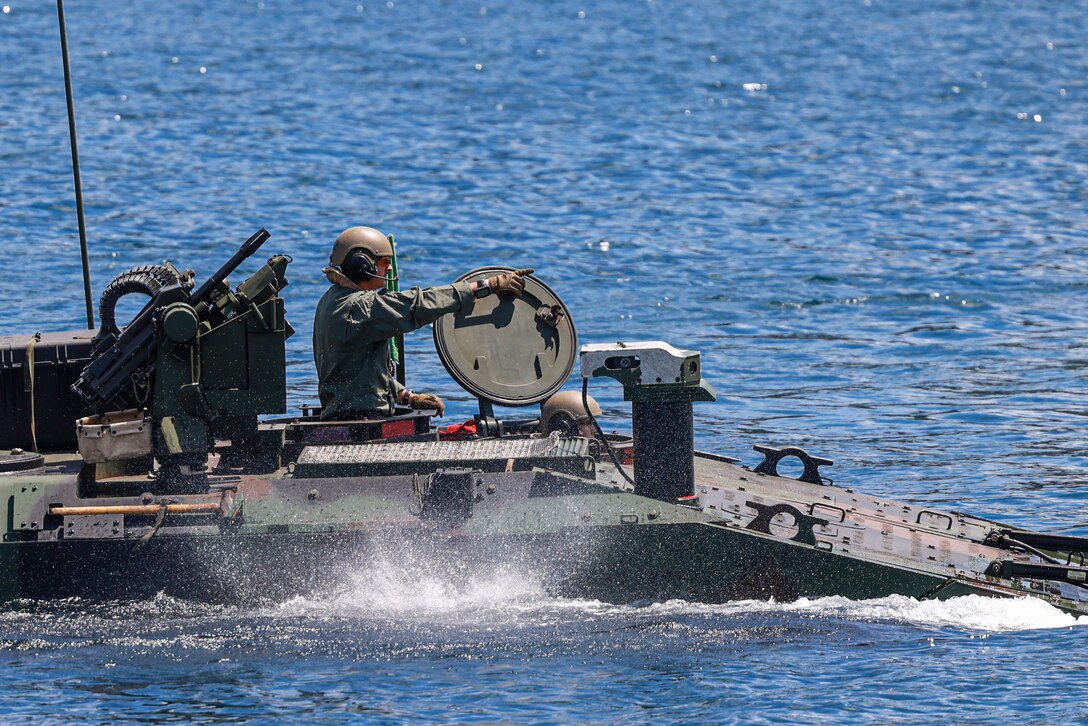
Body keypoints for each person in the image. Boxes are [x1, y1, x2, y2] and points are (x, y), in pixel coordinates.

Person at [313, 225, 532, 421]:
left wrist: (407, 397)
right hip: (363, 422)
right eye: (383, 262)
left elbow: (356, 371)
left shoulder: (331, 300)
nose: (389, 268)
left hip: (348, 414)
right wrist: (486, 286)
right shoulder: (360, 307)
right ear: (361, 265)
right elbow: (419, 305)